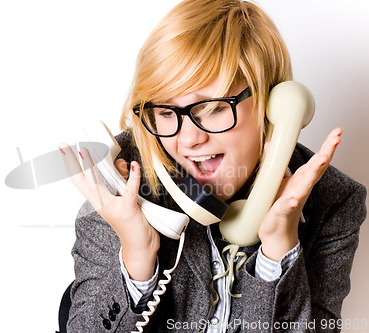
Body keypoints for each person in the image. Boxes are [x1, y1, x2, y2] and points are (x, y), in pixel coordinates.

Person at [59, 0, 367, 332]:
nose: (189, 139)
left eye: (215, 108)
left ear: (273, 106)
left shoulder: (334, 202)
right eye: (166, 112)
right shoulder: (124, 178)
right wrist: (137, 256)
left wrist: (278, 250)